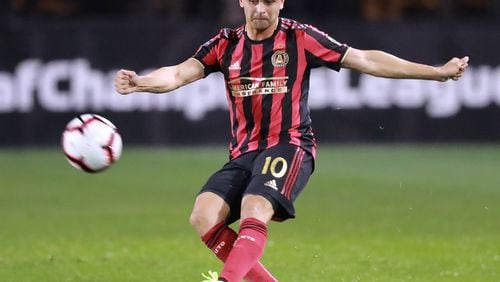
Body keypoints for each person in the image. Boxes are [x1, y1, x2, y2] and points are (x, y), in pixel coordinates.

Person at [114, 0, 469, 281]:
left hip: (290, 144)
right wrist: (143, 82)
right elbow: (177, 73)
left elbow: (364, 59)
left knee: (255, 206)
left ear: (281, 3)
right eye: (254, 1)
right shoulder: (226, 44)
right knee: (203, 215)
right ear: (242, 2)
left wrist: (435, 73)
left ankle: (228, 280)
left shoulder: (300, 38)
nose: (261, 9)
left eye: (268, 1)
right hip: (244, 152)